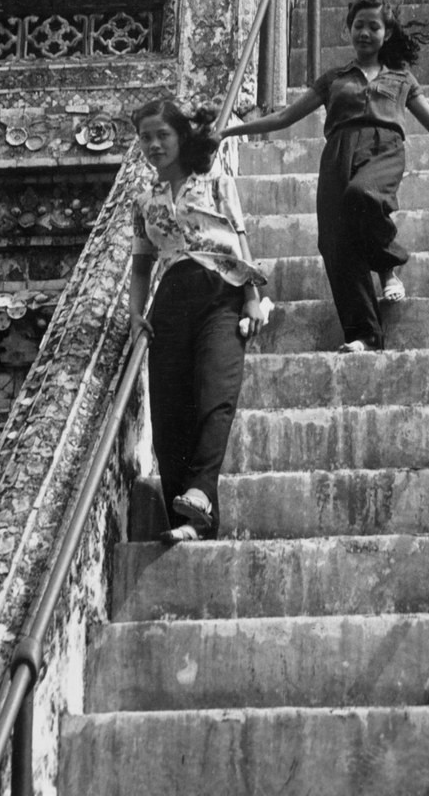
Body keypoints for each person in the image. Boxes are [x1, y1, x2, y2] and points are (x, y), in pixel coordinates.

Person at [219, 0, 429, 354]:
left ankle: (388, 265)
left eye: (374, 26)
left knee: (362, 196)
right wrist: (228, 133)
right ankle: (364, 335)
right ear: (348, 29)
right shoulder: (334, 79)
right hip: (337, 155)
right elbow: (284, 119)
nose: (365, 32)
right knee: (335, 243)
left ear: (387, 32)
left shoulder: (401, 78)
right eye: (358, 25)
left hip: (385, 149)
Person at [128, 100, 267, 543]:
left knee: (216, 392)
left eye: (162, 135)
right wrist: (135, 315)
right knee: (169, 414)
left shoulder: (217, 182)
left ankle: (202, 493)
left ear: (181, 137)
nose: (153, 145)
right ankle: (188, 522)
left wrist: (252, 297)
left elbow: (238, 242)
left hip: (220, 291)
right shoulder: (144, 203)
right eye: (146, 137)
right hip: (169, 301)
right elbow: (140, 267)